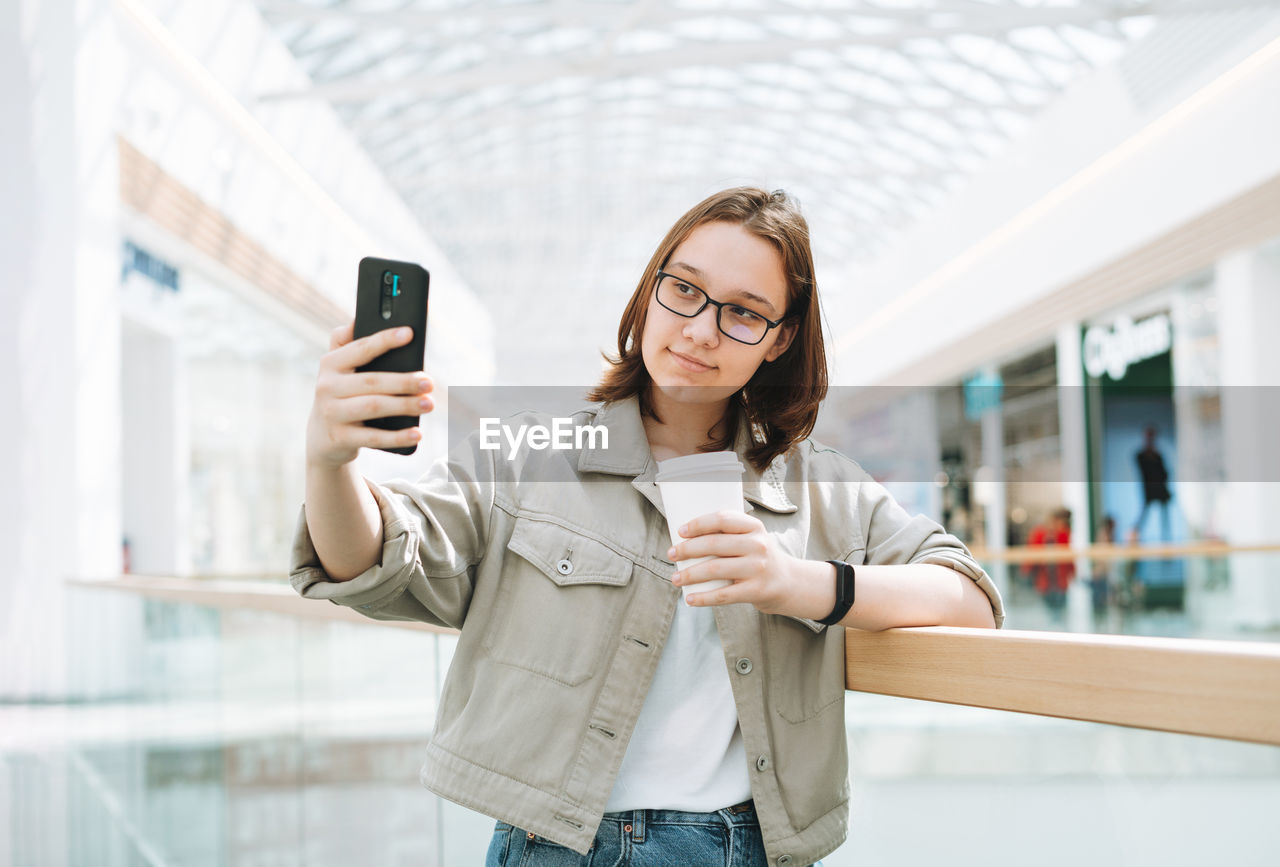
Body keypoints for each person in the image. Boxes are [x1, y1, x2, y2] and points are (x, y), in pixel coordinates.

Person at [291, 188, 1004, 867]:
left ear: (780, 339)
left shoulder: (819, 485)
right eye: (685, 289)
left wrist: (798, 582)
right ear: (650, 288)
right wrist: (328, 460)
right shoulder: (532, 454)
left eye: (744, 313)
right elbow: (373, 559)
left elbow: (969, 600)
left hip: (747, 846)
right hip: (557, 847)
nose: (700, 330)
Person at [1022, 507, 1073, 622]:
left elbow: (1068, 555)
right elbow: (1031, 554)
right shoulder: (1039, 533)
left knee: (1061, 612)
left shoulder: (1064, 533)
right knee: (1048, 613)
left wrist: (1072, 573)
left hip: (1060, 581)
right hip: (1044, 580)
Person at [1134, 425, 1172, 541]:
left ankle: (1166, 540)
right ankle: (1134, 538)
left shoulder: (1158, 455)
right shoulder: (1141, 456)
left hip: (1160, 489)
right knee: (1144, 516)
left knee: (1164, 519)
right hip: (1150, 489)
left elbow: (1164, 473)